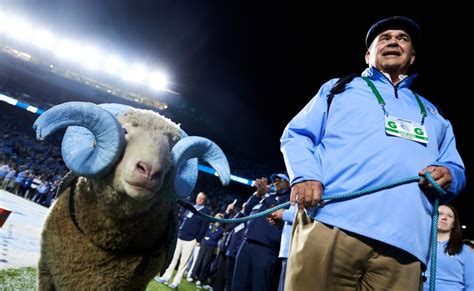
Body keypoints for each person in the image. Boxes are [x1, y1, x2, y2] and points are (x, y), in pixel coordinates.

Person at [280, 16, 466, 290]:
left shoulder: (434, 113)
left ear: (412, 57)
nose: (393, 41)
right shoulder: (339, 88)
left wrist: (449, 174)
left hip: (406, 247)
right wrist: (306, 176)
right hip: (332, 223)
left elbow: (456, 169)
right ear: (368, 54)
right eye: (385, 37)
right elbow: (296, 135)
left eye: (402, 38)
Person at [232, 173, 291, 291]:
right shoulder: (265, 197)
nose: (276, 182)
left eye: (280, 180)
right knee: (238, 284)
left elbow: (276, 210)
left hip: (267, 248)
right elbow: (246, 210)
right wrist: (258, 194)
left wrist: (267, 194)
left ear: (289, 184)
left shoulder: (289, 199)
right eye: (274, 180)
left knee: (259, 286)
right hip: (247, 242)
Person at [155, 192, 210, 289]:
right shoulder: (192, 206)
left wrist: (197, 240)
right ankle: (165, 277)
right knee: (172, 259)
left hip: (190, 240)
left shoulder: (205, 211)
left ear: (204, 200)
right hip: (180, 236)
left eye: (201, 198)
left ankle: (176, 282)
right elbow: (184, 219)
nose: (199, 199)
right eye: (198, 197)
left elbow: (204, 227)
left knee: (183, 263)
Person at [424, 205, 474, 290]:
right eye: (440, 214)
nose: (444, 217)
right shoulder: (421, 246)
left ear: (454, 224)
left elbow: (472, 284)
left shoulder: (465, 250)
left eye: (449, 216)